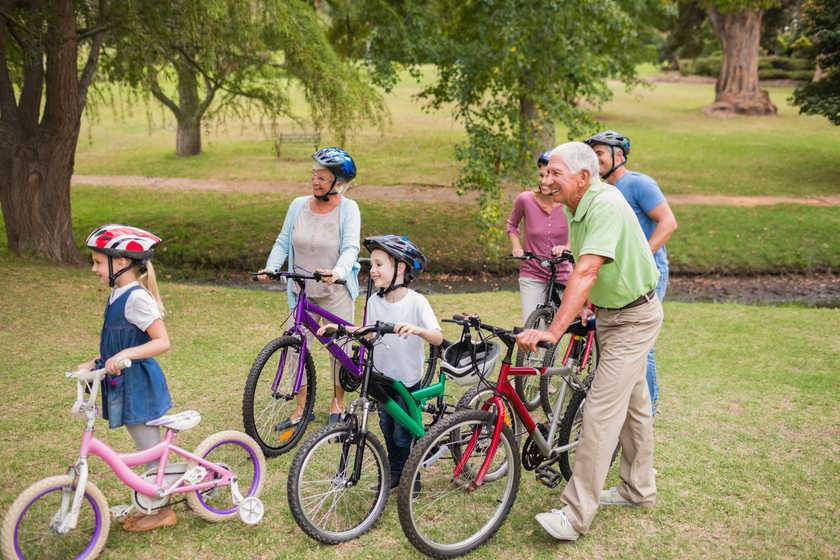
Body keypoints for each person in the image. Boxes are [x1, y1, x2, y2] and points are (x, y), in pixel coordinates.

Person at [516, 142, 663, 541]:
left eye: (556, 173)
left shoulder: (605, 205)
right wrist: (586, 307)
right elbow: (591, 270)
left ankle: (575, 515)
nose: (547, 181)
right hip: (611, 316)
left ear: (583, 177)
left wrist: (553, 330)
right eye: (546, 173)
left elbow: (585, 272)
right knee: (635, 408)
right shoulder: (576, 207)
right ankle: (638, 489)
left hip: (635, 317)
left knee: (600, 411)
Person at [318, 235, 442, 493]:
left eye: (379, 264)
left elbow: (437, 337)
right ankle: (396, 476)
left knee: (403, 434)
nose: (372, 270)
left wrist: (418, 330)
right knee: (386, 428)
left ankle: (412, 481)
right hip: (382, 379)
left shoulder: (417, 302)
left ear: (400, 267)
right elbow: (370, 331)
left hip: (406, 381)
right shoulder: (375, 301)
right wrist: (342, 328)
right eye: (371, 264)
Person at [79, 224, 175, 532]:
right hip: (123, 381)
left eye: (97, 261)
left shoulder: (136, 297)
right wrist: (97, 361)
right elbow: (118, 342)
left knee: (149, 448)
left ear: (120, 262)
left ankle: (164, 511)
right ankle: (154, 504)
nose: (93, 268)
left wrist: (126, 356)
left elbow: (162, 341)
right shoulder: (117, 295)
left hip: (138, 384)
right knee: (144, 444)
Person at [257, 147, 361, 426]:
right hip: (302, 292)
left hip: (334, 292)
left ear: (338, 184)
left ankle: (338, 404)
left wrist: (337, 272)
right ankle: (301, 408)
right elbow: (282, 242)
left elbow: (351, 247)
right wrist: (271, 267)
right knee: (295, 348)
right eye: (314, 174)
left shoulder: (348, 209)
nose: (315, 180)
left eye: (323, 177)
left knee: (338, 349)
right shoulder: (298, 205)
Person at [584, 130, 677, 415]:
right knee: (612, 337)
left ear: (619, 155)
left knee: (640, 341)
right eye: (593, 153)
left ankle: (649, 404)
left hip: (649, 272)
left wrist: (641, 256)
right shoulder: (600, 190)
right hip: (617, 275)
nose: (595, 159)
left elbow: (668, 223)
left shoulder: (638, 184)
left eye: (600, 153)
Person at [507, 150, 573, 324]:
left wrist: (567, 247)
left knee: (554, 332)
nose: (544, 181)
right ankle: (528, 353)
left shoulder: (570, 203)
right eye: (541, 175)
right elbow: (512, 225)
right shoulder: (525, 200)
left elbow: (580, 230)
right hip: (532, 272)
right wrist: (516, 246)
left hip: (562, 274)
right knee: (531, 326)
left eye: (550, 175)